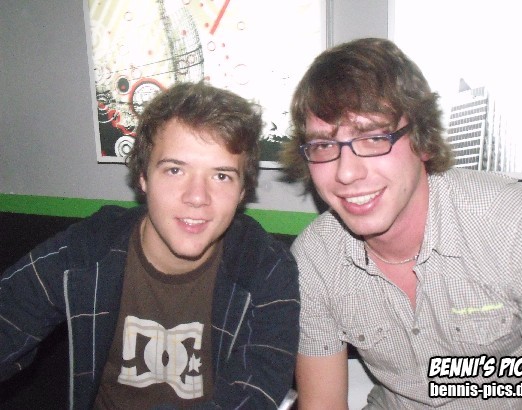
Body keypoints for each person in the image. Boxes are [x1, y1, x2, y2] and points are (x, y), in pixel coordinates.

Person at [281, 38, 522, 409]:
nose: (346, 173)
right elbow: (322, 403)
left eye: (373, 138)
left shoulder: (517, 226)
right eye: (324, 145)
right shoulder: (316, 259)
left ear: (422, 141)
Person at [0, 81, 300, 409]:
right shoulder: (89, 251)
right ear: (143, 177)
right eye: (175, 170)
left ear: (243, 191)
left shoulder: (266, 269)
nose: (197, 197)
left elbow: (254, 395)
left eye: (221, 176)